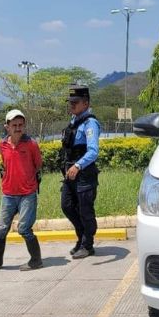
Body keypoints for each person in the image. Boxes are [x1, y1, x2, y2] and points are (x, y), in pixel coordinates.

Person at [0, 109, 43, 272]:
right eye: (14, 125)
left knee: (24, 228)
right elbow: (4, 164)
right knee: (1, 229)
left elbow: (38, 164)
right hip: (8, 194)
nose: (18, 128)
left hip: (28, 193)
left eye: (21, 125)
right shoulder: (2, 145)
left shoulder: (32, 144)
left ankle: (36, 260)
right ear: (7, 127)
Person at [60, 86, 102, 258]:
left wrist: (77, 165)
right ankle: (81, 237)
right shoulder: (73, 121)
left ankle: (87, 244)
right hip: (70, 174)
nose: (72, 105)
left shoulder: (90, 123)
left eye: (75, 102)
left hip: (83, 174)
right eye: (70, 102)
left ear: (86, 103)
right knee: (67, 206)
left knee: (85, 210)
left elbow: (93, 151)